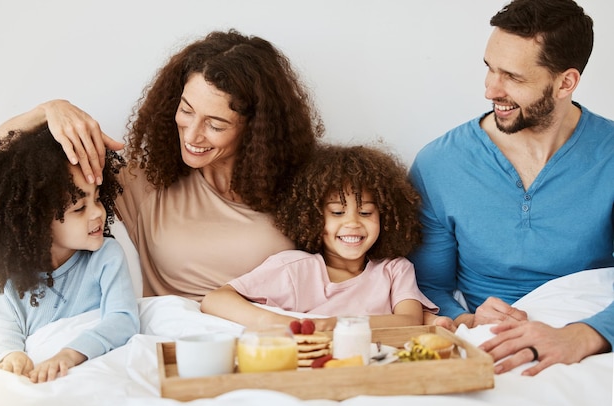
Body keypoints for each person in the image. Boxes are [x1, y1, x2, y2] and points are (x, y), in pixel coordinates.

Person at [0, 30, 324, 301]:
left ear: (256, 130)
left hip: (279, 344)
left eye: (216, 125)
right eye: (186, 110)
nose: (192, 134)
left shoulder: (304, 188)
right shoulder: (145, 183)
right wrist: (45, 111)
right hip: (181, 350)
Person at [408, 0, 614, 376]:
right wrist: (467, 317)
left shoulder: (610, 154)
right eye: (489, 68)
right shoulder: (440, 164)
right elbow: (426, 288)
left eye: (513, 77)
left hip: (589, 341)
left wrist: (581, 336)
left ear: (565, 82)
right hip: (490, 339)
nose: (491, 90)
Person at [201, 144, 439, 330]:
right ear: (314, 218)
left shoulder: (395, 270)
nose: (353, 223)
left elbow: (409, 320)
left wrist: (332, 325)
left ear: (385, 217)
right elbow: (215, 300)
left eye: (366, 212)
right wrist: (277, 323)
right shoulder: (294, 268)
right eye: (337, 212)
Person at [0, 124, 140, 383]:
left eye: (98, 198)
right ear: (37, 221)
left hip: (91, 372)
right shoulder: (8, 279)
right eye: (80, 208)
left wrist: (69, 355)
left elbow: (123, 319)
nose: (98, 213)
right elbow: (4, 329)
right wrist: (12, 355)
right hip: (42, 378)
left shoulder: (106, 256)